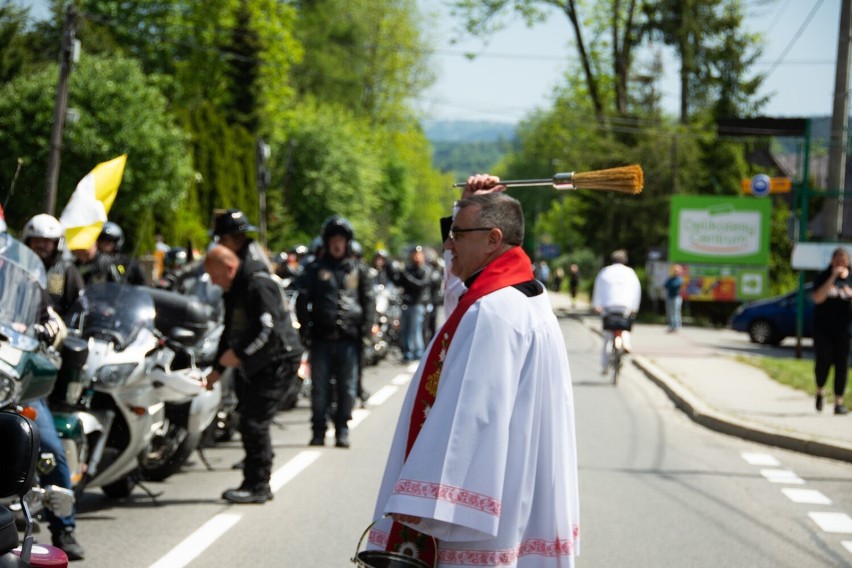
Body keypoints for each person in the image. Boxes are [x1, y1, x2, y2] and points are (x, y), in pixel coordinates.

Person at [367, 180, 580, 567]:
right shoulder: (518, 294)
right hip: (515, 491)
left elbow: (469, 418)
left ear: (492, 240)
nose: (447, 245)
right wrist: (466, 203)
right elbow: (456, 297)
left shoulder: (492, 312)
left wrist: (423, 502)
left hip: (479, 518)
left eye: (456, 234)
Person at [204, 245, 304, 503]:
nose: (214, 283)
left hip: (278, 360)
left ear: (229, 267)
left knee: (254, 421)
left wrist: (240, 354)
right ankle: (254, 477)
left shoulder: (257, 285)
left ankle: (258, 485)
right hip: (259, 362)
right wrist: (216, 371)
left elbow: (267, 330)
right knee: (247, 417)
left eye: (215, 276)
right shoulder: (234, 290)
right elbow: (229, 333)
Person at [22, 214, 85, 561]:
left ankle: (65, 527)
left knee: (47, 446)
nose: (42, 246)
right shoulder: (9, 271)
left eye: (47, 241)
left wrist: (53, 330)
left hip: (28, 374)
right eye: (36, 241)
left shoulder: (61, 274)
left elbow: (66, 316)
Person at [295, 215, 375, 448]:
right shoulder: (314, 269)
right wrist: (305, 328)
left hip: (349, 340)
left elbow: (368, 301)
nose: (337, 244)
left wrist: (366, 331)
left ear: (347, 242)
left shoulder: (359, 270)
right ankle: (318, 430)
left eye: (341, 239)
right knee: (319, 388)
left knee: (347, 387)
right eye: (333, 239)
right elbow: (302, 299)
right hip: (321, 338)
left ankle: (342, 429)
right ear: (327, 242)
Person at [811, 247, 852, 415]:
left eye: (843, 261)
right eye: (837, 261)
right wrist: (833, 277)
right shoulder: (823, 276)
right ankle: (820, 391)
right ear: (832, 261)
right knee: (824, 362)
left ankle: (838, 403)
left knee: (842, 366)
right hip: (823, 330)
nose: (840, 264)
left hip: (845, 331)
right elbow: (817, 298)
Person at [592, 249, 641, 374]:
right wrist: (634, 308)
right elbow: (637, 291)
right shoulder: (631, 273)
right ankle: (625, 342)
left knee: (607, 337)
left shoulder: (605, 271)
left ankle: (604, 366)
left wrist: (596, 305)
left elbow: (597, 289)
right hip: (625, 306)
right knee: (624, 325)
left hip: (608, 307)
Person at [395, 245, 431, 362]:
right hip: (406, 303)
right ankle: (407, 352)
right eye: (414, 254)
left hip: (418, 304)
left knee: (415, 330)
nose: (416, 257)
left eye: (418, 255)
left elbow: (420, 285)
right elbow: (398, 283)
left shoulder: (425, 270)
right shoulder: (408, 269)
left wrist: (406, 276)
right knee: (404, 329)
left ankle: (418, 352)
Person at [664, 264, 684, 333]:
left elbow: (675, 285)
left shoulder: (679, 278)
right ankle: (671, 326)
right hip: (670, 297)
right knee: (670, 312)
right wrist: (671, 284)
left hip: (676, 297)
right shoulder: (671, 278)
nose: (675, 272)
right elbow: (666, 285)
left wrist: (671, 285)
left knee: (676, 312)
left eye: (677, 271)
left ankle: (676, 326)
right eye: (674, 270)